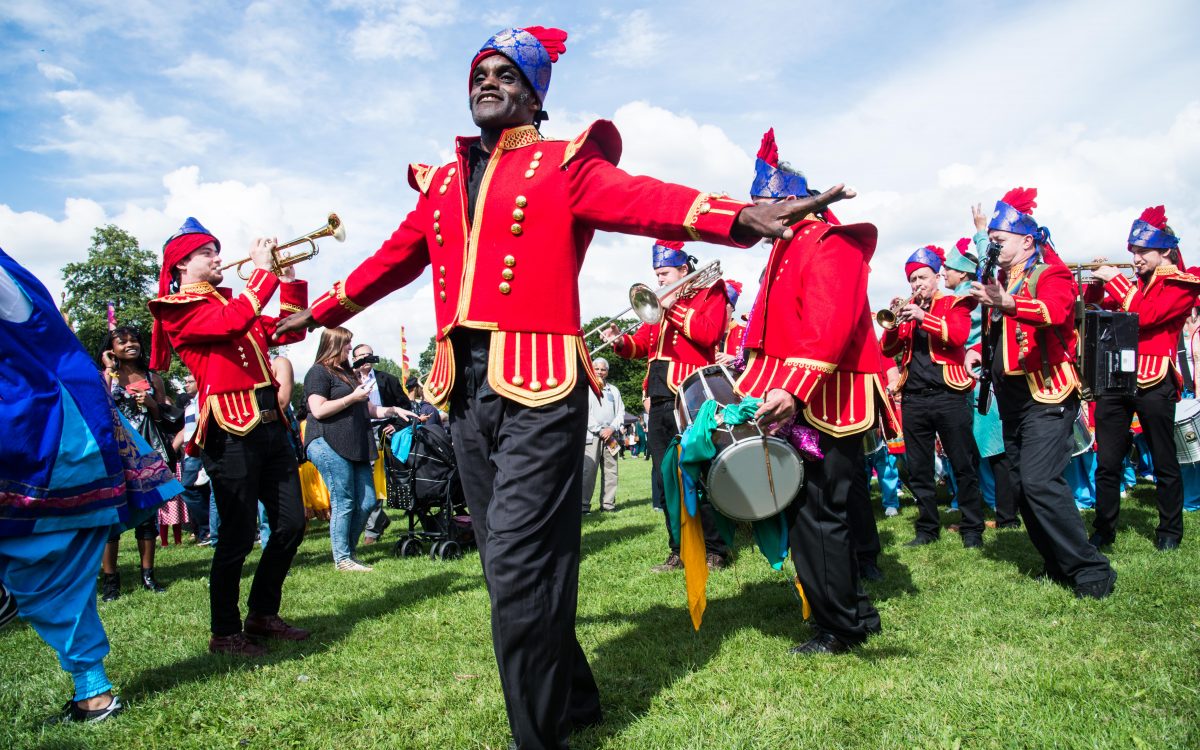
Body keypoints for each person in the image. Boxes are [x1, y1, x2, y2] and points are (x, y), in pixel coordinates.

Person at [274, 25, 849, 750]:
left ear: (534, 97)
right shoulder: (443, 182)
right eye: (480, 72)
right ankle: (573, 694)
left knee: (517, 563)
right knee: (506, 562)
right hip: (463, 391)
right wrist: (319, 311)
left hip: (541, 387)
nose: (489, 81)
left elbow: (644, 199)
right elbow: (394, 259)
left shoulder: (561, 163)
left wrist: (736, 216)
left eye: (507, 75)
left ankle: (537, 736)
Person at [0, 247, 181, 721]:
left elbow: (167, 409)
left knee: (54, 558)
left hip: (46, 429)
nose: (130, 344)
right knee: (53, 560)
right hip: (60, 424)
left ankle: (93, 685)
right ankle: (92, 687)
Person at [732, 127, 892, 654]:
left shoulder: (827, 242)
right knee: (813, 513)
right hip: (801, 396)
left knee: (820, 515)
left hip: (825, 398)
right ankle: (851, 611)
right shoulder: (789, 246)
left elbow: (829, 326)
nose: (757, 218)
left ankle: (842, 626)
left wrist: (794, 390)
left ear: (789, 202)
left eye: (762, 206)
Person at [147, 217, 311, 656]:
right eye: (207, 253)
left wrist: (288, 281)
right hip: (229, 429)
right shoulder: (175, 307)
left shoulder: (235, 303)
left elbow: (289, 330)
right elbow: (228, 325)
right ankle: (224, 631)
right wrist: (262, 273)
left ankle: (262, 614)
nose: (218, 258)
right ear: (181, 265)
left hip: (270, 423)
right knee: (237, 536)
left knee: (292, 524)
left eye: (217, 251)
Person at [968, 187, 1116, 598]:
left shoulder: (1050, 274)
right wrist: (980, 351)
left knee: (1039, 482)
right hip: (1012, 397)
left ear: (1028, 242)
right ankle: (1057, 563)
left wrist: (1008, 303)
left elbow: (1055, 312)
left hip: (1047, 393)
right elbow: (1003, 334)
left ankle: (1092, 571)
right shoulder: (1004, 280)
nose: (994, 247)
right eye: (991, 240)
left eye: (1000, 240)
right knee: (1021, 485)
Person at [607, 240, 731, 571]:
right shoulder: (659, 302)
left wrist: (672, 307)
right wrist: (620, 340)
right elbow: (642, 345)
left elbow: (708, 334)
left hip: (690, 397)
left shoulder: (711, 292)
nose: (659, 280)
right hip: (659, 399)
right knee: (666, 481)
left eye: (664, 273)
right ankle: (678, 549)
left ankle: (715, 549)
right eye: (657, 274)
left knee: (700, 474)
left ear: (683, 269)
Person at [1085, 206, 1200, 551]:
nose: (1135, 258)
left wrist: (1114, 280)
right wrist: (1095, 287)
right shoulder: (1132, 285)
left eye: (1142, 251)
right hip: (1116, 378)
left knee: (1164, 459)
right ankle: (1103, 530)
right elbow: (1095, 313)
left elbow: (1145, 315)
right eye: (1133, 251)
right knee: (1107, 461)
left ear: (1165, 251)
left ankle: (1169, 531)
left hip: (1155, 378)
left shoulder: (1183, 282)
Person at [881, 245, 985, 547]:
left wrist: (923, 317)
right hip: (914, 397)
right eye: (913, 279)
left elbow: (958, 336)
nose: (917, 284)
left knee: (962, 464)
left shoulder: (955, 303)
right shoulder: (908, 310)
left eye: (922, 278)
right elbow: (886, 350)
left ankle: (972, 528)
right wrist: (894, 325)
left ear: (936, 277)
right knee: (919, 468)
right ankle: (926, 528)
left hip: (949, 394)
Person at [305, 328, 416, 570]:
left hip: (355, 443)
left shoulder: (347, 373)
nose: (350, 348)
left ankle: (349, 553)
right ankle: (342, 558)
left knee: (367, 501)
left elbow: (367, 409)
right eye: (347, 344)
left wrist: (393, 410)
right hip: (327, 441)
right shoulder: (318, 372)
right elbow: (318, 410)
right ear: (334, 344)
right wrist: (352, 398)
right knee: (344, 499)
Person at [97, 326, 177, 597]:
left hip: (146, 452)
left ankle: (148, 576)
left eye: (134, 340)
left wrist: (152, 404)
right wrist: (109, 369)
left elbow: (164, 417)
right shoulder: (105, 376)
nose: (130, 344)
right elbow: (99, 405)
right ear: (111, 349)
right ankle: (110, 582)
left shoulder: (153, 378)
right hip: (115, 453)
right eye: (122, 341)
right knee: (112, 516)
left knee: (148, 516)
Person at [956, 222, 1022, 529]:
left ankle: (1005, 515)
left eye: (947, 270)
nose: (943, 275)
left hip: (981, 377)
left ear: (962, 273)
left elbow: (988, 266)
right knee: (984, 450)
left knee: (995, 450)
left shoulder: (968, 291)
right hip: (975, 374)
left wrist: (982, 234)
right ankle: (996, 512)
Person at [350, 343, 412, 545]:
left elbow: (405, 406)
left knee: (377, 478)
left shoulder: (388, 379)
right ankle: (378, 520)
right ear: (354, 359)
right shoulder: (348, 380)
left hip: (383, 431)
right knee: (359, 479)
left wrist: (396, 424)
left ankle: (372, 530)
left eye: (369, 355)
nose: (366, 359)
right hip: (356, 432)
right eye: (361, 356)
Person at [174, 372, 216, 545]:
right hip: (191, 453)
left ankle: (211, 531)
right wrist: (173, 448)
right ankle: (208, 530)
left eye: (190, 381)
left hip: (202, 450)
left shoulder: (205, 399)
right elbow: (186, 429)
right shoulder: (191, 405)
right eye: (185, 382)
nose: (186, 385)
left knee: (199, 489)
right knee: (188, 489)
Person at [581, 357, 624, 513]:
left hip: (611, 436)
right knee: (588, 471)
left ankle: (608, 505)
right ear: (592, 370)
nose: (600, 372)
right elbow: (585, 412)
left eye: (603, 369)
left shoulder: (614, 390)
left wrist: (611, 428)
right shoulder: (586, 388)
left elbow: (620, 412)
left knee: (611, 471)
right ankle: (583, 506)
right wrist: (599, 430)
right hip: (592, 435)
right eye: (597, 369)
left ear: (607, 371)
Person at [715, 279, 745, 365]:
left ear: (732, 307)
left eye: (724, 303)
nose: (719, 307)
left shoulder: (745, 332)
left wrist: (734, 360)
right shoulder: (706, 331)